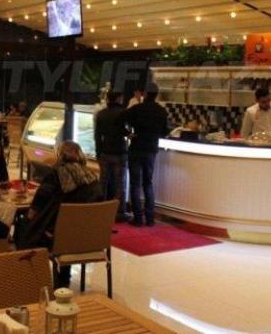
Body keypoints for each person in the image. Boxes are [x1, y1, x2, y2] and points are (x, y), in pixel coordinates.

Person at [17, 141, 101, 287]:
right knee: (65, 227)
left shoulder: (56, 174)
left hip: (58, 238)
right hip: (87, 237)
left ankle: (28, 280)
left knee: (22, 227)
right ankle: (62, 281)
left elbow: (38, 204)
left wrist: (27, 220)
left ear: (60, 155)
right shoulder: (93, 177)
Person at [121, 82, 169, 227]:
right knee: (148, 183)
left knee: (135, 183)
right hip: (151, 149)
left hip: (136, 148)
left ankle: (137, 218)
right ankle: (150, 218)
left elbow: (119, 119)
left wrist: (128, 133)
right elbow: (164, 132)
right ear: (156, 95)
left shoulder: (137, 108)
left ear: (145, 94)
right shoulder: (161, 111)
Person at [95, 91, 130, 221]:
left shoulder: (101, 114)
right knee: (120, 182)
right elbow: (124, 130)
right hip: (119, 151)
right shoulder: (123, 113)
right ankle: (119, 212)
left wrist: (98, 152)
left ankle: (100, 208)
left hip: (105, 151)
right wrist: (129, 134)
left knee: (103, 182)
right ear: (119, 98)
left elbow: (97, 135)